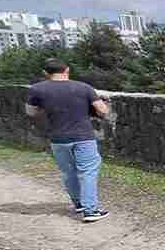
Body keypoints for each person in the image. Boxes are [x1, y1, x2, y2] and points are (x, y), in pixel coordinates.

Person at [25, 58, 111, 223]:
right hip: (83, 136)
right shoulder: (83, 87)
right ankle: (91, 210)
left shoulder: (37, 89)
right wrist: (102, 105)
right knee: (87, 172)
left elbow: (31, 112)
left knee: (68, 172)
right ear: (67, 70)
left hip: (57, 138)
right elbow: (102, 111)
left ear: (46, 73)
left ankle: (78, 203)